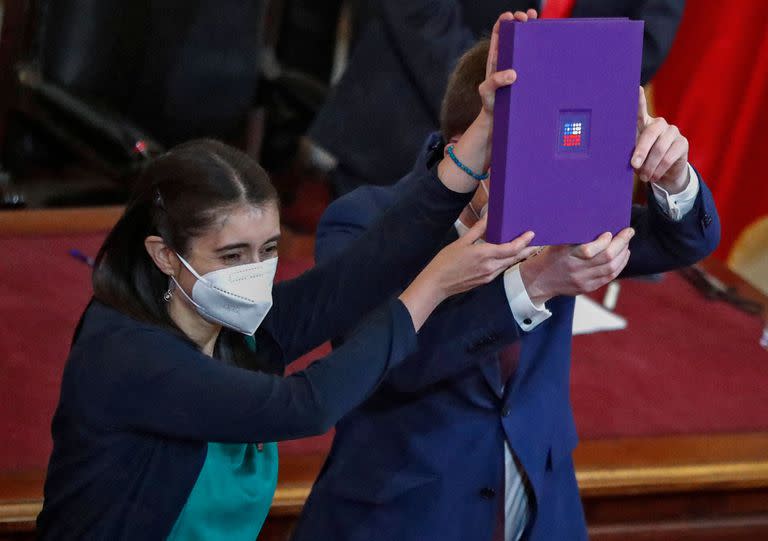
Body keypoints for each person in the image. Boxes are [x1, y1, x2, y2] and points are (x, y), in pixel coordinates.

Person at [35, 14, 537, 538]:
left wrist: (482, 132)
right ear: (164, 255)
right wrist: (430, 287)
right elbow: (306, 407)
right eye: (231, 255)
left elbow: (353, 278)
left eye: (268, 248)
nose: (253, 271)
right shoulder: (126, 351)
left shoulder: (222, 325)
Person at [292, 26, 721, 541]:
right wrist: (532, 286)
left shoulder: (556, 201)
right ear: (466, 147)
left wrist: (674, 177)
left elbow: (683, 242)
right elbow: (391, 368)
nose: (546, 178)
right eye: (523, 159)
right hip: (403, 510)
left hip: (541, 504)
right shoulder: (360, 222)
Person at [306, 0, 684, 195]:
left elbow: (644, 43)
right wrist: (494, 94)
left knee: (488, 337)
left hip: (547, 159)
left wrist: (542, 111)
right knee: (370, 326)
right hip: (406, 123)